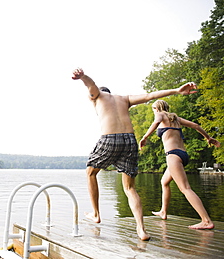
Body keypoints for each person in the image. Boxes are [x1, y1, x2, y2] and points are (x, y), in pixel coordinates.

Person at [72, 68, 198, 241]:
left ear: (98, 94)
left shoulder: (97, 96)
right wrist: (176, 90)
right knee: (130, 188)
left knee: (90, 172)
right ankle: (141, 230)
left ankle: (95, 214)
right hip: (130, 140)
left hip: (110, 139)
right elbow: (150, 96)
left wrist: (82, 77)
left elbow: (91, 85)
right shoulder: (124, 99)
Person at [139, 99, 220, 230]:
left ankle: (206, 220)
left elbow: (155, 122)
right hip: (182, 154)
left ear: (157, 108)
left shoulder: (160, 115)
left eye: (153, 109)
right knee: (164, 182)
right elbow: (195, 125)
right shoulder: (176, 119)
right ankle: (163, 211)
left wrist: (145, 137)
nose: (154, 112)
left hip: (172, 156)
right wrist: (208, 138)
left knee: (185, 189)